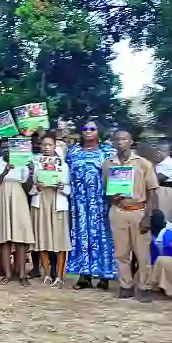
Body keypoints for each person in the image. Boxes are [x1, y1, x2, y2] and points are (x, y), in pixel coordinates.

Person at [105, 130, 160, 301]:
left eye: (124, 139)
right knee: (121, 252)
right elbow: (107, 191)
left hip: (138, 210)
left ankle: (144, 287)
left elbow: (152, 192)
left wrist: (147, 216)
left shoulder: (143, 164)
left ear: (131, 142)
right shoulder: (108, 164)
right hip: (118, 210)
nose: (120, 142)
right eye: (117, 139)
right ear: (113, 142)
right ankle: (125, 285)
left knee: (142, 252)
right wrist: (112, 196)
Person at [66, 120, 116, 290]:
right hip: (79, 203)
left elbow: (117, 175)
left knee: (103, 237)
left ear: (98, 132)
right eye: (85, 128)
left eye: (92, 129)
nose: (88, 131)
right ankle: (84, 276)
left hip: (101, 202)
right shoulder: (73, 152)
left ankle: (104, 276)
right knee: (82, 236)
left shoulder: (108, 152)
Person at [0, 139, 35, 286]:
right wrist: (5, 171)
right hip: (1, 198)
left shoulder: (22, 163)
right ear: (0, 149)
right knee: (4, 238)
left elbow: (28, 188)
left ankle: (22, 274)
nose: (8, 150)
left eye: (10, 147)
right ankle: (7, 274)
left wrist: (31, 173)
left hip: (19, 197)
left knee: (20, 237)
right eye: (4, 147)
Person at [30, 133, 72, 288]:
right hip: (41, 202)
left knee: (60, 241)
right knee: (42, 239)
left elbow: (68, 188)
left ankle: (60, 276)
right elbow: (31, 186)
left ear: (55, 146)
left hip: (57, 203)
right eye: (44, 145)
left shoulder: (64, 165)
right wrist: (36, 186)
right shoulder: (36, 163)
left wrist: (63, 187)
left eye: (50, 145)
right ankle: (47, 273)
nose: (47, 148)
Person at [153, 142, 172, 227]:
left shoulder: (168, 164)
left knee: (165, 216)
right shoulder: (162, 163)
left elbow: (157, 179)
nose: (157, 153)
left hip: (166, 191)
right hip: (161, 191)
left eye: (159, 151)